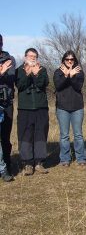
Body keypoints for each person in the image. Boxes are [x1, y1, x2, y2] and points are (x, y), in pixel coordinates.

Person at [15, 48, 49, 175]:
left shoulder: (43, 70)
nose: (32, 58)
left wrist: (36, 74)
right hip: (25, 109)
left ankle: (39, 162)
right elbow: (20, 86)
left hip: (41, 108)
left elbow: (43, 84)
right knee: (25, 135)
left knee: (41, 134)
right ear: (25, 57)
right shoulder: (19, 70)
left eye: (34, 56)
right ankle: (28, 164)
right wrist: (28, 74)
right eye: (30, 56)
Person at [53, 51, 86, 167]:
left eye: (71, 59)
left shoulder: (79, 72)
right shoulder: (58, 72)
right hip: (62, 108)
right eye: (67, 59)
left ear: (74, 60)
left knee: (78, 134)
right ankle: (65, 159)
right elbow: (58, 86)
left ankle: (81, 158)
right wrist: (66, 75)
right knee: (64, 135)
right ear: (63, 60)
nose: (69, 61)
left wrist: (72, 76)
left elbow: (78, 86)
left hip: (77, 108)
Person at [0, 34, 16, 176]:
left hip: (7, 103)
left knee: (5, 137)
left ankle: (7, 164)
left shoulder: (9, 59)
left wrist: (3, 72)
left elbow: (11, 78)